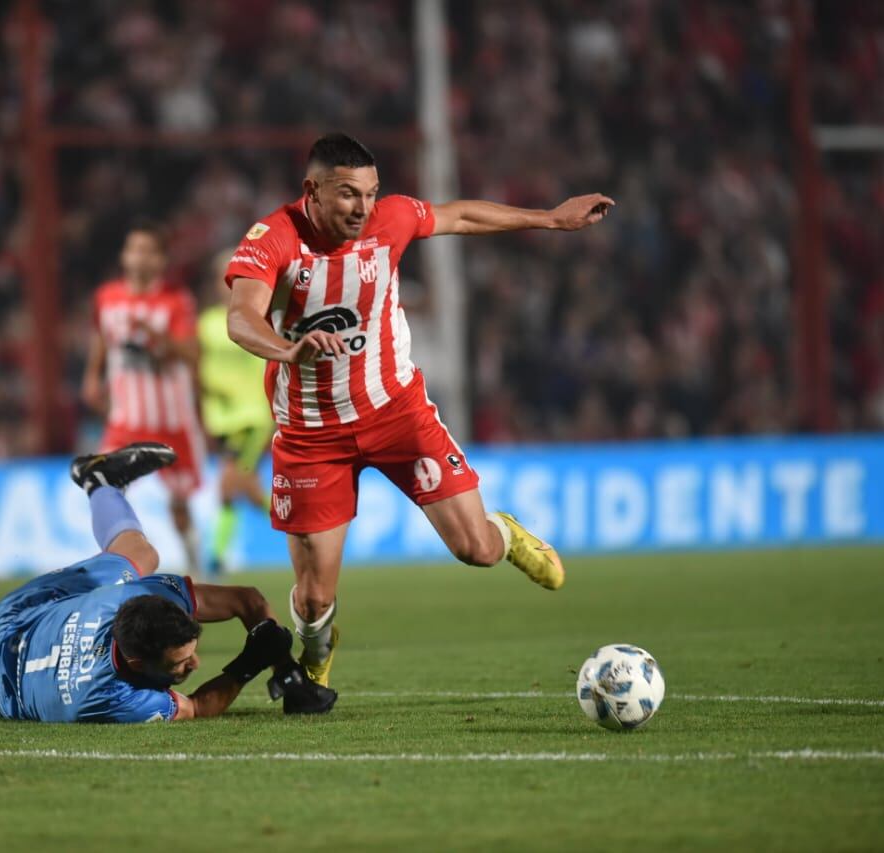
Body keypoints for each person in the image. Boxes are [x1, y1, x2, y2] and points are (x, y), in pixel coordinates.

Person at [224, 133, 614, 688]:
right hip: (312, 434)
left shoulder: (393, 219)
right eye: (347, 195)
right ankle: (317, 649)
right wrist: (289, 348)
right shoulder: (274, 239)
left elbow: (461, 217)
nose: (363, 209)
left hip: (396, 414)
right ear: (311, 190)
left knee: (475, 548)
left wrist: (551, 219)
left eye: (371, 193)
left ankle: (502, 531)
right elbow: (241, 317)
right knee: (313, 599)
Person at [0, 442, 337, 722]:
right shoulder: (113, 698)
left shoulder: (139, 595)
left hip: (30, 625)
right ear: (135, 663)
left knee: (142, 558)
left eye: (192, 651)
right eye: (179, 663)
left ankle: (101, 483)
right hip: (14, 651)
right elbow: (195, 708)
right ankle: (98, 480)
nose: (195, 664)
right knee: (141, 557)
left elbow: (246, 600)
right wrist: (247, 664)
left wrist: (287, 671)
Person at [82, 224, 205, 575]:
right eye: (134, 249)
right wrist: (92, 376)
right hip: (125, 419)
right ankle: (115, 565)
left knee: (179, 503)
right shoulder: (107, 298)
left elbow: (193, 354)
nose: (140, 257)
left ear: (162, 259)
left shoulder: (176, 301)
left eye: (149, 250)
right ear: (124, 256)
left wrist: (161, 339)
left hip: (172, 420)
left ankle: (195, 561)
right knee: (104, 489)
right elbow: (101, 338)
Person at [196, 249, 276, 574]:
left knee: (229, 484)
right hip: (224, 420)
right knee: (243, 490)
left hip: (254, 415)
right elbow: (197, 368)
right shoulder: (206, 324)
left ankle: (214, 557)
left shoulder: (258, 318)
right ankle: (299, 523)